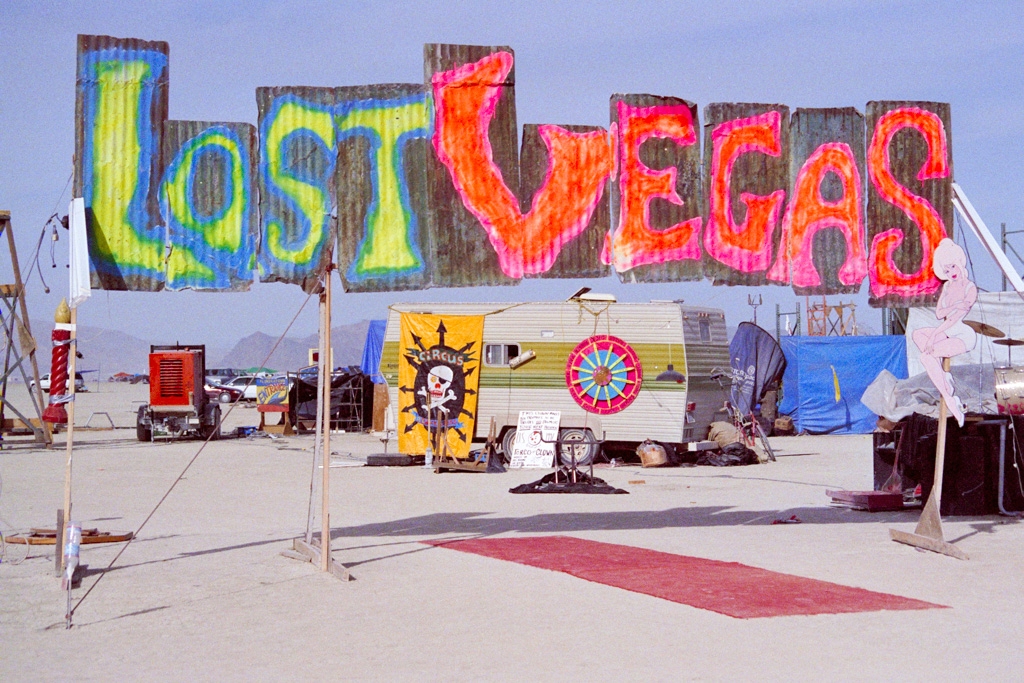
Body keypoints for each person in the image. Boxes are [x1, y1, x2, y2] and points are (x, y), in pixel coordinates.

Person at [911, 238, 977, 426]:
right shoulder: (947, 286)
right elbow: (940, 313)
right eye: (946, 270)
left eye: (952, 268)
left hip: (963, 335)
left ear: (959, 263)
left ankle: (950, 399)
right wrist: (956, 304)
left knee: (926, 357)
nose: (951, 273)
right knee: (918, 335)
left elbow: (954, 319)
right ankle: (943, 377)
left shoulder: (970, 288)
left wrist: (934, 337)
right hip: (947, 331)